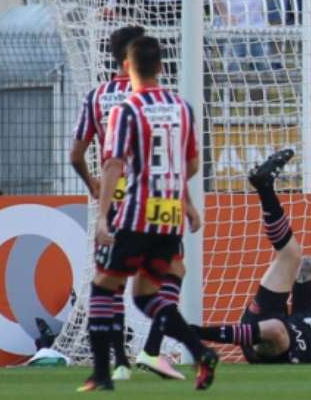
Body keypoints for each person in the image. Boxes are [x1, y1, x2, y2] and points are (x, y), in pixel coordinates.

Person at [79, 36, 218, 391]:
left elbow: (112, 165)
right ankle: (200, 351)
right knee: (146, 295)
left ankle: (101, 374)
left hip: (136, 215)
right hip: (169, 217)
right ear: (160, 67)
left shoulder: (126, 110)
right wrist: (180, 199)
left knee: (102, 287)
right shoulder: (182, 107)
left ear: (128, 67)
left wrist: (103, 216)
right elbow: (190, 164)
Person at [193, 149, 311, 363]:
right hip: (261, 323)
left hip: (275, 350)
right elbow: (306, 265)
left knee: (276, 328)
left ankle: (193, 332)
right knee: (292, 254)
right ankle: (264, 187)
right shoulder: (306, 310)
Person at [70, 26, 142, 382]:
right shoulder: (153, 96)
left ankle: (121, 360)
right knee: (170, 273)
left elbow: (76, 155)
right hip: (150, 199)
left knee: (109, 282)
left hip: (112, 200)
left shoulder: (96, 96)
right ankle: (154, 351)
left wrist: (94, 184)